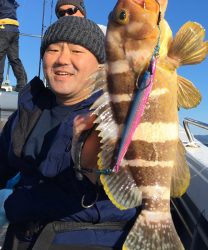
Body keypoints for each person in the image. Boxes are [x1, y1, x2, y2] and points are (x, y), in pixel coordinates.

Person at [0, 16, 138, 250]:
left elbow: (93, 186)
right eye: (53, 49)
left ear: (101, 65)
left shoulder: (115, 116)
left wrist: (10, 203)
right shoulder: (28, 109)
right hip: (23, 236)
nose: (62, 59)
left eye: (76, 51)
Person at [0, 0, 27, 92]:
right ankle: (22, 84)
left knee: (0, 55)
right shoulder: (12, 2)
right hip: (14, 31)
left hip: (4, 29)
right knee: (14, 58)